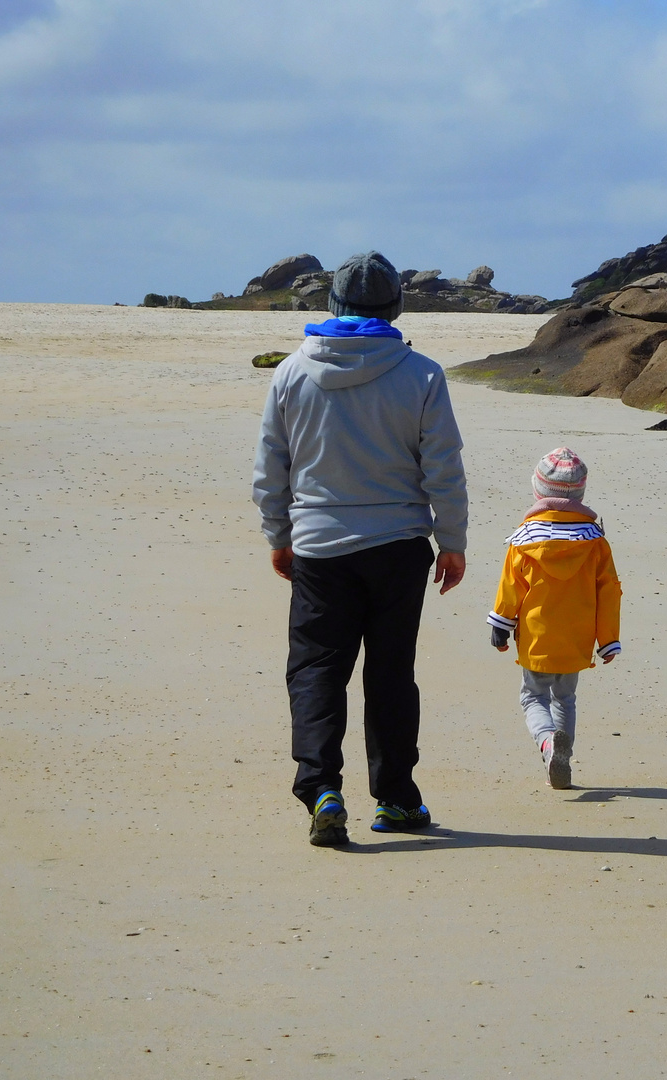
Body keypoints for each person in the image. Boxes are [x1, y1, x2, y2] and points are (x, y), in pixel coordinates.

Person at [252, 250, 467, 846]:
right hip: (398, 547)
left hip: (319, 547)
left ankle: (321, 787)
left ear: (333, 305)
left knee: (317, 669)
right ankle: (396, 798)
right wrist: (451, 541)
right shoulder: (422, 373)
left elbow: (271, 467)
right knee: (391, 674)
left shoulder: (291, 372)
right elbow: (443, 468)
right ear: (395, 307)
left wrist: (280, 534)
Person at [487, 448, 621, 789]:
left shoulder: (524, 541)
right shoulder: (595, 542)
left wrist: (500, 626)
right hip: (576, 639)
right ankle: (563, 758)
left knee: (533, 696)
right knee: (565, 698)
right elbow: (609, 593)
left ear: (538, 492)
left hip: (537, 638)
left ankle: (548, 745)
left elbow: (510, 588)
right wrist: (607, 641)